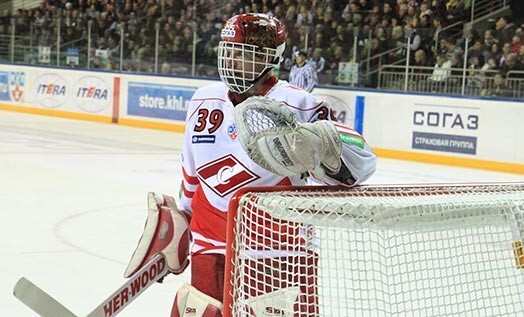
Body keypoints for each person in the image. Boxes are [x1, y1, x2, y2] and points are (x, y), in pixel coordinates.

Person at [124, 13, 376, 316]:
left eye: (244, 54)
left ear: (270, 59)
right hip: (208, 246)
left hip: (279, 252)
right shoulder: (203, 100)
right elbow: (191, 174)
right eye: (229, 52)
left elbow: (358, 167)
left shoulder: (301, 105)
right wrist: (182, 221)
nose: (233, 61)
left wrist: (321, 147)